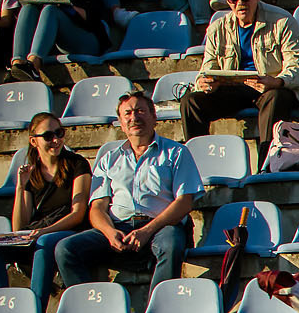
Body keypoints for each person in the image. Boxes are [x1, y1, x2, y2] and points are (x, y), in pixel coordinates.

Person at [54, 90, 201, 301]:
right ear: (121, 124)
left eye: (140, 111)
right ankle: (87, 307)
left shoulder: (176, 152)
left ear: (153, 117)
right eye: (127, 113)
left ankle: (158, 309)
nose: (134, 117)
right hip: (118, 227)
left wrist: (146, 231)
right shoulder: (108, 159)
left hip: (161, 226)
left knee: (171, 243)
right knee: (65, 249)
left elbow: (184, 202)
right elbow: (97, 208)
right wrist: (108, 232)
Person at [178, 0, 299, 144]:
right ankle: (198, 159)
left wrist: (276, 81)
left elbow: (298, 67)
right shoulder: (217, 28)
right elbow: (207, 68)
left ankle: (266, 166)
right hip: (234, 89)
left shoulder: (282, 22)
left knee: (275, 98)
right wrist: (204, 83)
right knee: (191, 102)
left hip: (270, 88)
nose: (239, 3)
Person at [0, 114, 93, 296]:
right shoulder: (32, 172)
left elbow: (78, 213)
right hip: (39, 231)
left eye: (59, 133)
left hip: (68, 229)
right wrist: (20, 186)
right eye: (48, 136)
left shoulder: (77, 163)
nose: (56, 140)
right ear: (34, 141)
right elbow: (19, 227)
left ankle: (37, 307)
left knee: (43, 242)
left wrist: (45, 231)